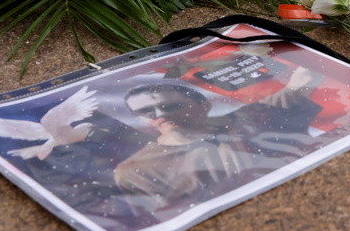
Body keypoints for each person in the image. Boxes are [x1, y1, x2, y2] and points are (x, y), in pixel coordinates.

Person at [113, 73, 322, 213]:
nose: (160, 114)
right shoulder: (135, 170)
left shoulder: (245, 118)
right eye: (146, 111)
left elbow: (300, 84)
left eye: (171, 105)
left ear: (203, 105)